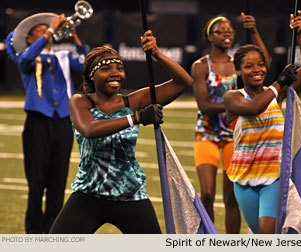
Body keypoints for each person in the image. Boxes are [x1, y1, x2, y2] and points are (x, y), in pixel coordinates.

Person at [49, 29, 193, 234]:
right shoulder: (80, 102)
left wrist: (156, 54)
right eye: (106, 69)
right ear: (92, 74)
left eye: (119, 68)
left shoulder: (134, 100)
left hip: (130, 195)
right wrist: (136, 118)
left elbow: (184, 82)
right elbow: (90, 129)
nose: (115, 73)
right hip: (89, 194)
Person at [223, 10, 301, 234]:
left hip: (273, 176)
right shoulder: (233, 97)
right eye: (249, 66)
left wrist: (300, 34)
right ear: (238, 70)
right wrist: (279, 82)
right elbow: (254, 109)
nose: (257, 70)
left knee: (267, 232)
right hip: (243, 179)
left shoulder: (277, 94)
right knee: (258, 235)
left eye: (261, 65)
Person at [5, 13, 89, 233]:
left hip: (63, 122)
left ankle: (53, 230)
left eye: (48, 30)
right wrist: (50, 30)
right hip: (38, 122)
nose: (48, 32)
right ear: (30, 39)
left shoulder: (63, 57)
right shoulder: (27, 57)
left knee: (58, 181)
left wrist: (77, 40)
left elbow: (87, 68)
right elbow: (20, 54)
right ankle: (33, 230)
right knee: (36, 181)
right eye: (40, 32)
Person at [190, 13, 270, 233]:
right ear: (209, 37)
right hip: (206, 133)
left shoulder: (239, 64)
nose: (226, 33)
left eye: (229, 30)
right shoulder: (201, 66)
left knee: (231, 196)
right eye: (220, 31)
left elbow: (265, 62)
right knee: (207, 193)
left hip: (234, 135)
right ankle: (207, 238)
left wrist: (253, 30)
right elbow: (204, 106)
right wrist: (234, 106)